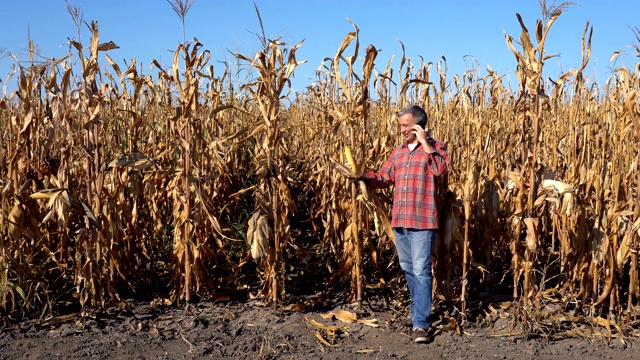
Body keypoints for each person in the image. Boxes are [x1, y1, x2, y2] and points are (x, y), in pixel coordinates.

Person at [359, 105, 450, 343]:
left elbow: (440, 170)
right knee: (409, 268)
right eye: (401, 125)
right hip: (400, 220)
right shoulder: (398, 152)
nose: (402, 130)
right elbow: (384, 177)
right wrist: (362, 175)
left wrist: (425, 143)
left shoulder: (437, 147)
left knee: (421, 271)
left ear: (419, 125)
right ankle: (417, 311)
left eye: (406, 125)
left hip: (422, 220)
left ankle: (421, 324)